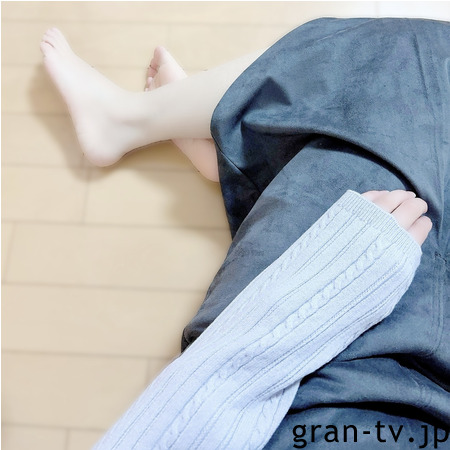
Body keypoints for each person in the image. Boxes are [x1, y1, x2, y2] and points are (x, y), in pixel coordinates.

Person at [40, 17, 449, 449]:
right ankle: (229, 147)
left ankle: (133, 121)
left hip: (326, 399)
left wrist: (336, 281)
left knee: (405, 60)